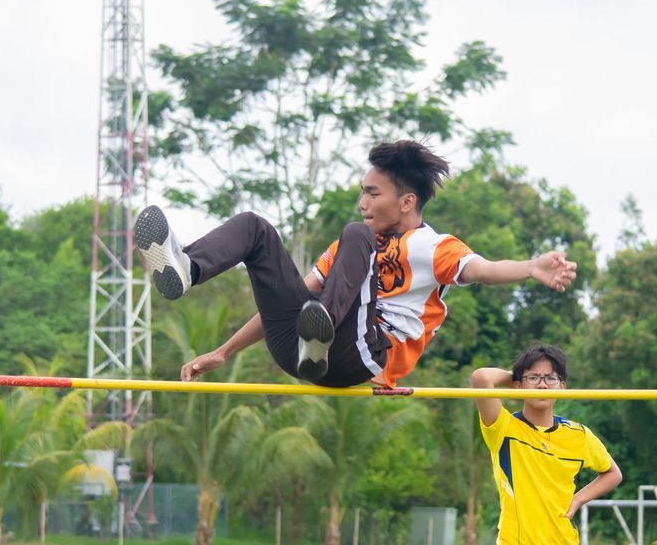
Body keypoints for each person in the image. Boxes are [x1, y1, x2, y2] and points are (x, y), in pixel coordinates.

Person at [135, 140, 577, 388]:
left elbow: (482, 269)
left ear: (406, 201)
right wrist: (223, 352)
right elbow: (292, 298)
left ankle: (321, 332)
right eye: (362, 192)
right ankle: (188, 268)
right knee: (256, 228)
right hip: (298, 351)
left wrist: (529, 267)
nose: (362, 202)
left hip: (361, 356)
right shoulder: (350, 247)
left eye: (373, 193)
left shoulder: (431, 247)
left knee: (355, 235)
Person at [472, 344, 622, 545]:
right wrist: (519, 375)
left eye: (550, 378)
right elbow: (482, 378)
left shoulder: (578, 435)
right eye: (534, 378)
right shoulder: (503, 428)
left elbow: (612, 473)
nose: (542, 386)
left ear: (562, 386)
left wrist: (579, 499)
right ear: (517, 386)